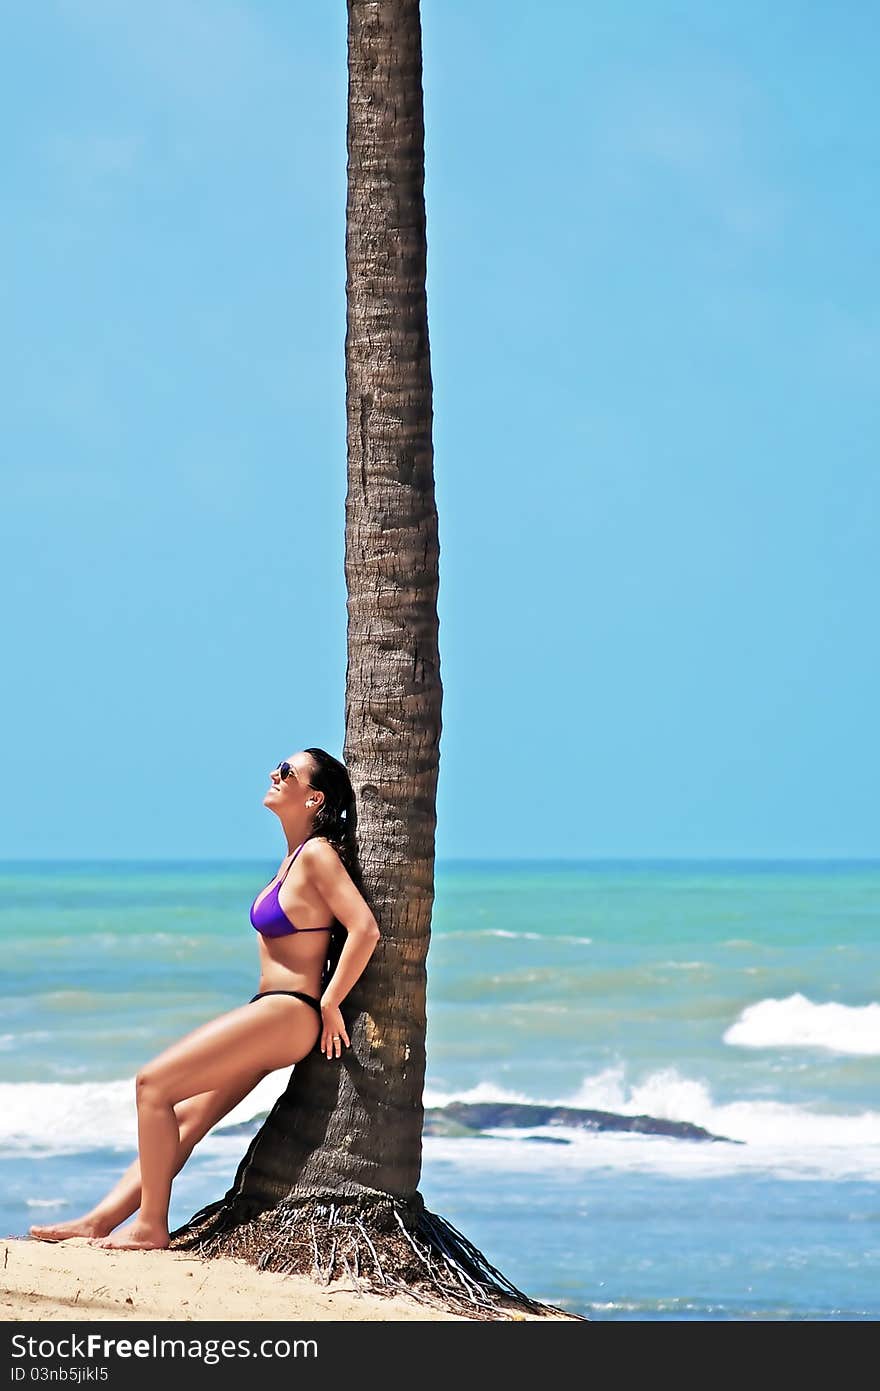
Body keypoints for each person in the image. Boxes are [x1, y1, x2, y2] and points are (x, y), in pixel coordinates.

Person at [29, 747, 380, 1251]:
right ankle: (100, 1220)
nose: (274, 774)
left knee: (153, 1086)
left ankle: (151, 1227)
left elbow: (364, 929)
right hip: (274, 1011)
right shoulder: (294, 858)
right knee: (188, 1118)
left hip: (290, 1011)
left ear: (314, 797)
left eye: (288, 772)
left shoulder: (318, 855)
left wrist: (329, 1004)